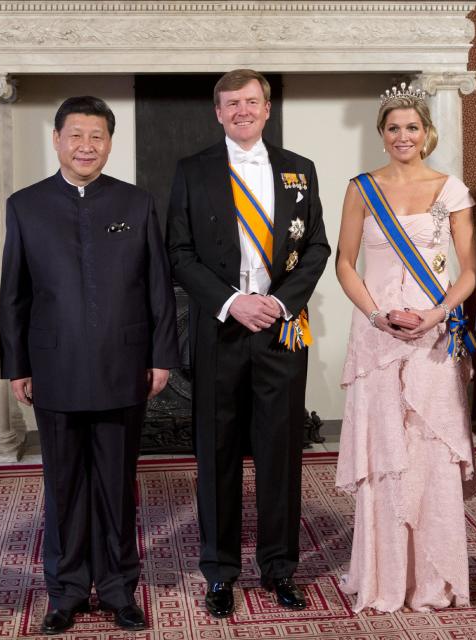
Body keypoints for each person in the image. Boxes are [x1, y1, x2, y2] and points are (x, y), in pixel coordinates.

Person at [0, 96, 179, 635]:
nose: (85, 146)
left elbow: (158, 288)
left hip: (124, 366)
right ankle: (66, 590)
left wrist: (162, 357)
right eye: (75, 134)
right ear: (56, 139)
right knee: (63, 486)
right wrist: (17, 365)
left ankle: (121, 589)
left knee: (118, 485)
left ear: (109, 143)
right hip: (52, 367)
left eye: (96, 136)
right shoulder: (25, 205)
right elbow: (14, 293)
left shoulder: (137, 202)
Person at [165, 69, 330, 618]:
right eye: (231, 103)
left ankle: (280, 568)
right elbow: (180, 252)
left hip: (281, 329)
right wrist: (233, 301)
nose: (242, 110)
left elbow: (316, 250)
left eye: (251, 101)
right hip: (220, 330)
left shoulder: (299, 170)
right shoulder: (192, 172)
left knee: (281, 454)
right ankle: (220, 570)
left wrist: (280, 303)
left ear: (266, 108)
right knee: (217, 454)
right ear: (218, 112)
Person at [333, 84, 476, 613]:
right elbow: (344, 263)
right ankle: (383, 574)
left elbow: (469, 269)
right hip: (377, 336)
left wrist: (437, 314)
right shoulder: (360, 188)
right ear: (382, 133)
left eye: (412, 127)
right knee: (386, 452)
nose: (403, 136)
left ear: (426, 133)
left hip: (434, 336)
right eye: (393, 128)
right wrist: (376, 315)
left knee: (429, 447)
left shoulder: (451, 190)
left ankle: (434, 577)